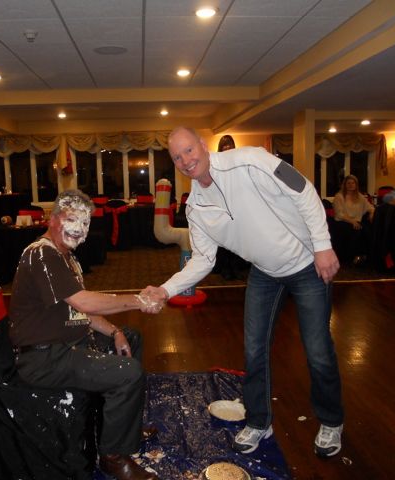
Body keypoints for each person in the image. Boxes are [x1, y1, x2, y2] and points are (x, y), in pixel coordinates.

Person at [142, 127, 344, 457]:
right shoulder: (195, 207)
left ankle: (332, 421)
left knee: (318, 350)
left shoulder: (250, 160)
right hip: (265, 273)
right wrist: (165, 290)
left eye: (189, 150)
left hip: (308, 264)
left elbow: (303, 190)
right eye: (177, 157)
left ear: (203, 146)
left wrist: (322, 245)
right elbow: (204, 259)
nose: (186, 160)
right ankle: (259, 421)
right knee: (254, 350)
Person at [8, 190, 161, 480]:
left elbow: (81, 311)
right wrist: (139, 300)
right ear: (53, 219)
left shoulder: (66, 258)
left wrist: (116, 331)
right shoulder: (41, 254)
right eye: (72, 219)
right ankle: (113, 456)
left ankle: (124, 428)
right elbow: (85, 303)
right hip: (43, 357)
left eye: (85, 222)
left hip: (66, 342)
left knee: (131, 338)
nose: (79, 228)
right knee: (129, 373)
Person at [212, 134, 250, 280]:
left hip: (237, 206)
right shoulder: (215, 165)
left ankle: (236, 267)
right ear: (220, 149)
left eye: (229, 146)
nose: (227, 149)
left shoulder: (238, 164)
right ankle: (225, 268)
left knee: (237, 240)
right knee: (224, 240)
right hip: (222, 207)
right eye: (224, 147)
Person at [332, 174, 375, 265]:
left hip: (356, 221)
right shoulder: (339, 196)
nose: (351, 185)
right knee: (356, 231)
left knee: (368, 230)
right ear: (345, 185)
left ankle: (366, 256)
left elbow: (370, 207)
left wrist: (372, 213)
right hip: (342, 222)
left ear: (356, 185)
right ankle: (350, 258)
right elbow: (339, 214)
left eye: (353, 183)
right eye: (348, 183)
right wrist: (352, 222)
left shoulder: (360, 197)